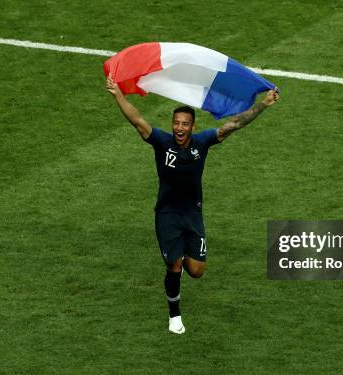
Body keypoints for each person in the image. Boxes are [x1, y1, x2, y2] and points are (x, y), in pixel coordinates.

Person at [106, 74, 279, 334]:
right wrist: (118, 94)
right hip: (167, 214)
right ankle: (174, 316)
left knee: (196, 271)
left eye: (185, 124)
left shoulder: (202, 143)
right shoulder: (162, 143)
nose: (179, 128)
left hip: (192, 215)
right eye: (176, 123)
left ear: (192, 126)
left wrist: (263, 105)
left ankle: (182, 265)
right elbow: (137, 120)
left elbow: (234, 125)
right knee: (173, 264)